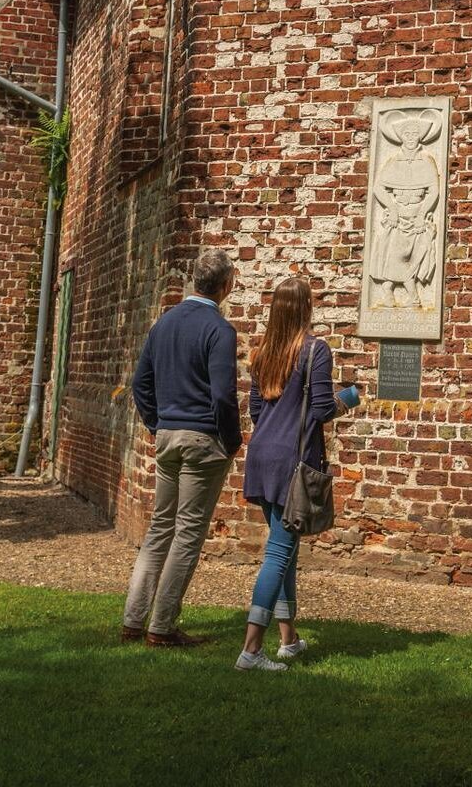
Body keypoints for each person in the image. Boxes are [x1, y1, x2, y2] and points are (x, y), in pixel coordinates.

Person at [236, 276, 359, 672]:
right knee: (278, 552)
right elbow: (322, 408)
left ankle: (288, 640)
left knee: (284, 548)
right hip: (293, 461)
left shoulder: (263, 352)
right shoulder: (315, 350)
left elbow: (256, 411)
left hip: (262, 457)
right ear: (306, 308)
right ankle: (251, 651)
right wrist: (349, 399)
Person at [122, 250, 242, 647]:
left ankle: (133, 620)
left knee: (160, 528)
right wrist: (232, 440)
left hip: (168, 435)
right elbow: (223, 394)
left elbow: (140, 384)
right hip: (203, 439)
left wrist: (158, 424)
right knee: (188, 533)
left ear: (195, 280)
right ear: (226, 285)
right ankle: (161, 627)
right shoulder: (219, 330)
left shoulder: (165, 323)